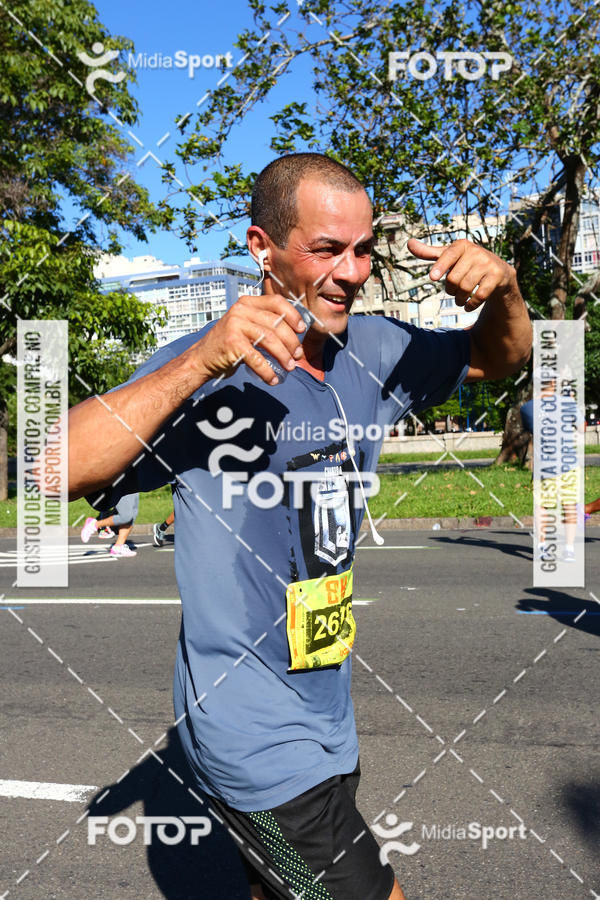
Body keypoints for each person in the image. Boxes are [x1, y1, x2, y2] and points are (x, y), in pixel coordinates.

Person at [68, 153, 531, 899]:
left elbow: (501, 357)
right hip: (250, 737)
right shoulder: (202, 369)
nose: (350, 272)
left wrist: (504, 288)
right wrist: (199, 363)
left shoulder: (372, 349)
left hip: (327, 713)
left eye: (362, 249)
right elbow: (53, 468)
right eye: (325, 250)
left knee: (277, 891)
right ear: (263, 247)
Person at [80, 492, 140, 558]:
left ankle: (118, 547)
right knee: (125, 516)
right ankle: (94, 524)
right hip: (122, 483)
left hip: (134, 484)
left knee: (132, 514)